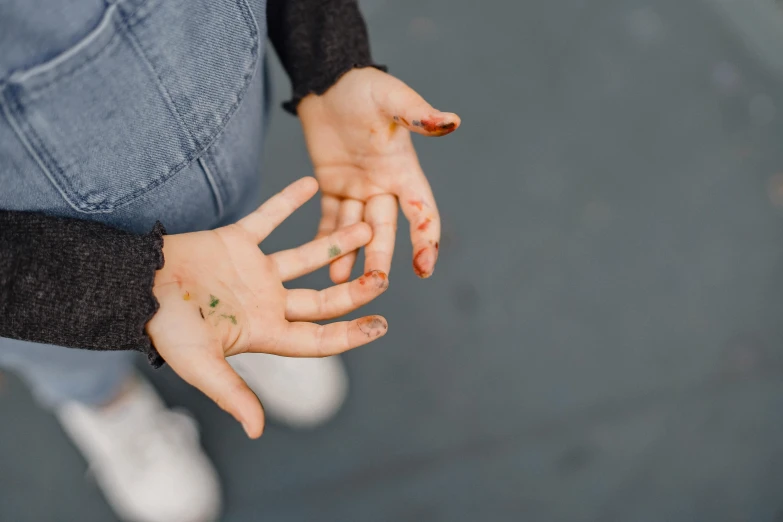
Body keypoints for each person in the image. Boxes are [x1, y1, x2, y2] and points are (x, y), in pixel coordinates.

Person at [0, 0, 460, 520]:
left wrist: (329, 58)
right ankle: (109, 403)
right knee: (67, 355)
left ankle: (236, 320)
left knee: (235, 230)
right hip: (38, 274)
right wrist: (125, 290)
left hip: (222, 141)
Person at [2, 177, 391, 438]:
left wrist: (333, 67)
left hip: (199, 174)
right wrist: (131, 285)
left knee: (222, 234)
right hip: (24, 280)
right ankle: (109, 405)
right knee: (62, 356)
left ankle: (242, 334)